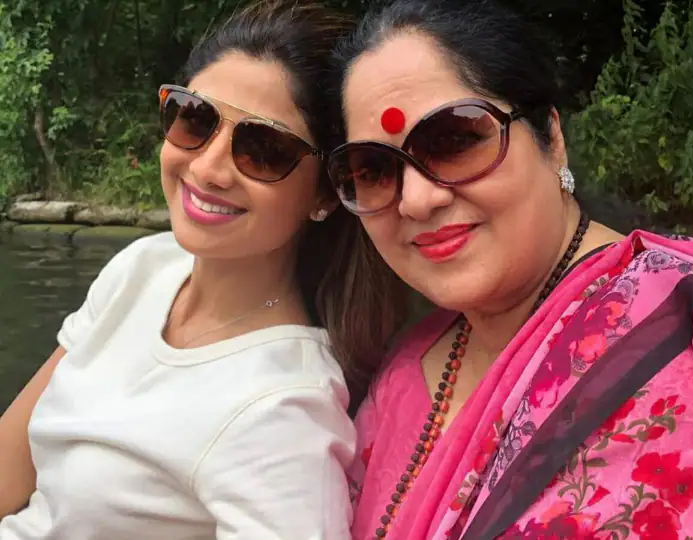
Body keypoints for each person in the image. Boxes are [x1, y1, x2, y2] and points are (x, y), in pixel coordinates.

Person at [0, 2, 406, 538]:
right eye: (195, 119)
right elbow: (9, 463)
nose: (208, 168)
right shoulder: (144, 267)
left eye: (263, 149)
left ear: (325, 194)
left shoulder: (281, 410)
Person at [326, 0, 693, 538]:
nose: (415, 200)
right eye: (372, 169)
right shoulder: (403, 373)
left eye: (455, 140)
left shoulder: (688, 330)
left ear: (550, 138)